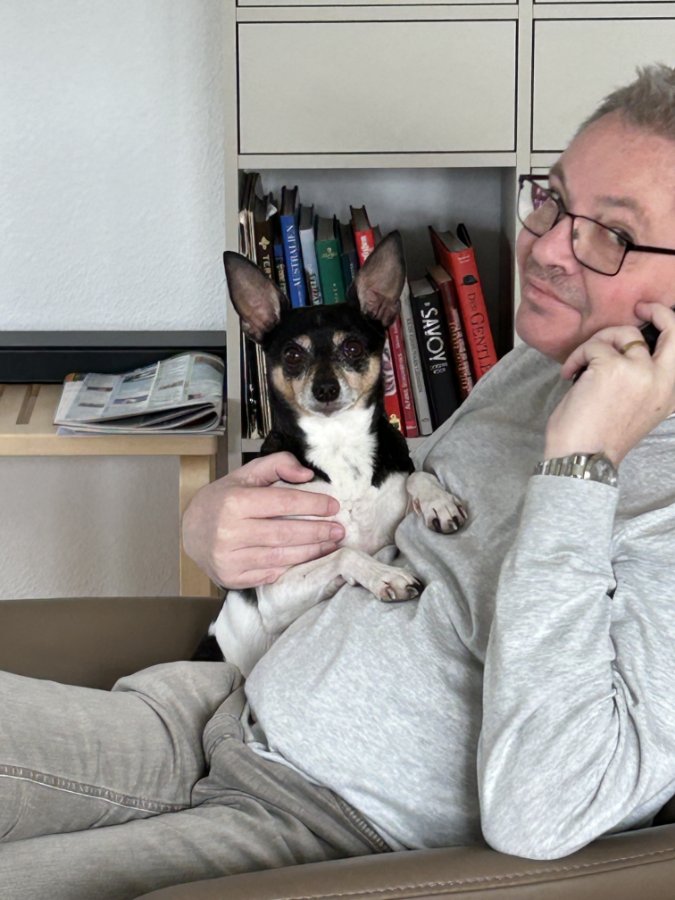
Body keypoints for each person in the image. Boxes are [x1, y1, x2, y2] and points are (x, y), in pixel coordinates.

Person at [2, 64, 675, 900]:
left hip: (315, 820)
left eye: (608, 233)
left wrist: (579, 467)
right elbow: (397, 530)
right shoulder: (540, 365)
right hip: (214, 704)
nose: (542, 248)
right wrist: (224, 534)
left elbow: (548, 809)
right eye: (552, 201)